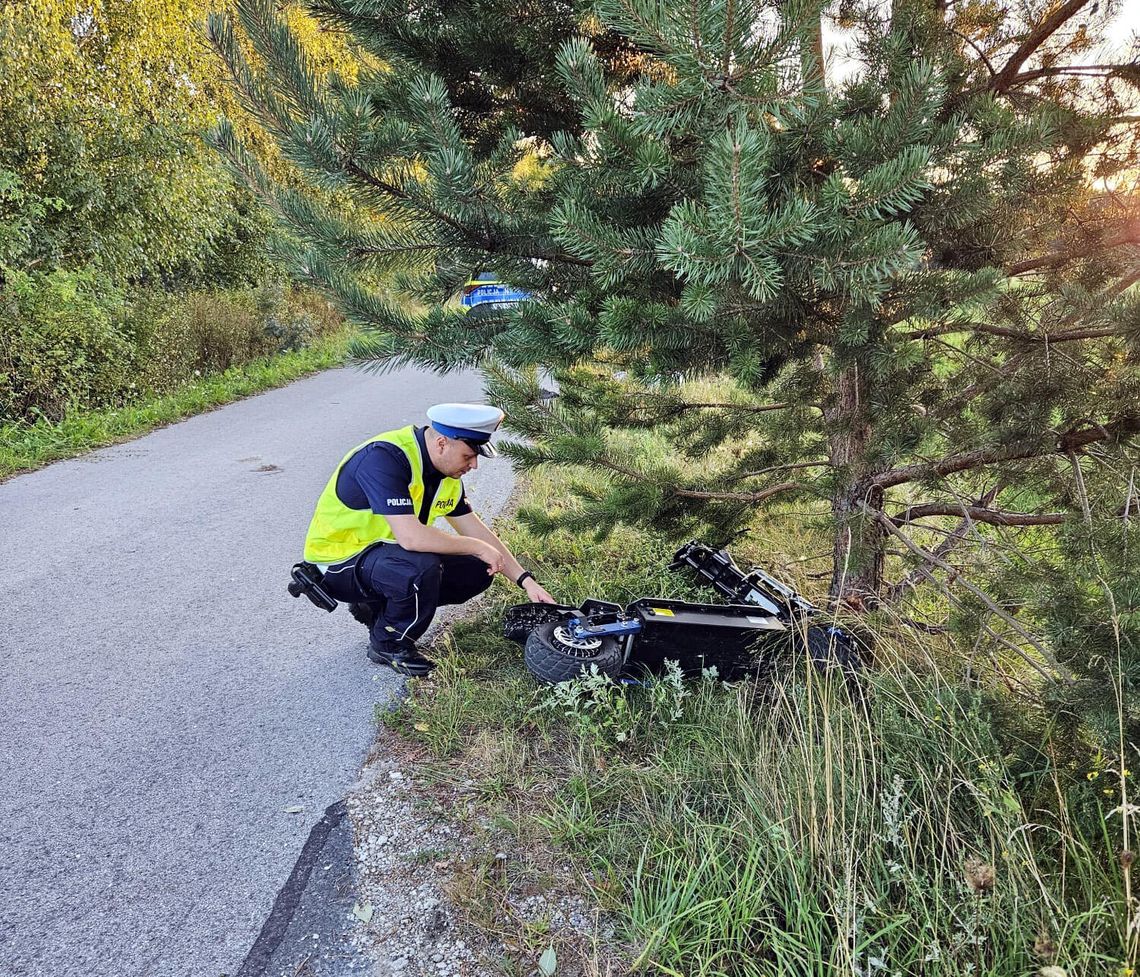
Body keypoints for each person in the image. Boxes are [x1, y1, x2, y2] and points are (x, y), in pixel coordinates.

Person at [301, 403, 556, 675]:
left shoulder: (445, 473)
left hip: (385, 559)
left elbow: (476, 530)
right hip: (338, 563)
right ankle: (388, 643)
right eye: (469, 456)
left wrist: (525, 581)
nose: (474, 465)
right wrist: (477, 547)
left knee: (477, 569)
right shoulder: (384, 458)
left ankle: (379, 607)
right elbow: (412, 538)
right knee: (420, 567)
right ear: (443, 444)